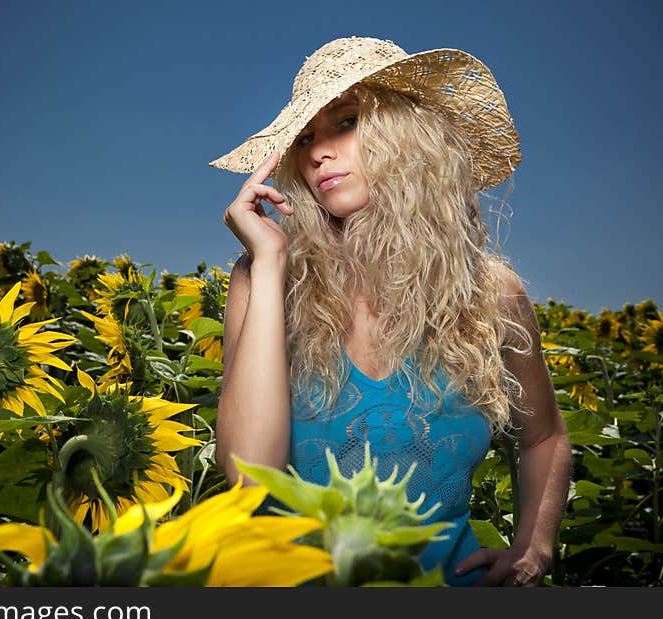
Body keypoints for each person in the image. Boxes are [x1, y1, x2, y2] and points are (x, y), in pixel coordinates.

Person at [209, 36, 573, 587]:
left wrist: (533, 549)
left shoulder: (490, 292)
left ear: (407, 137)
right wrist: (269, 261)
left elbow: (544, 437)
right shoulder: (265, 277)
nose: (317, 152)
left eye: (347, 122)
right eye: (305, 138)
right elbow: (250, 480)